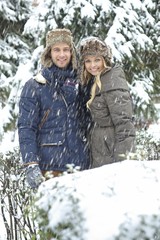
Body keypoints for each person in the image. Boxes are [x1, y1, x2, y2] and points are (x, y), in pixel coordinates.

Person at [18, 28, 90, 189]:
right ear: (49, 53)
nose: (62, 54)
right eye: (56, 50)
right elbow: (26, 128)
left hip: (80, 166)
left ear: (72, 52)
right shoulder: (35, 86)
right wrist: (31, 163)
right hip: (50, 168)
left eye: (66, 49)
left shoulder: (82, 82)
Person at [78, 36, 135, 168]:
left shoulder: (112, 81)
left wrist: (122, 162)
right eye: (88, 61)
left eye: (97, 60)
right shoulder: (91, 82)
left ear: (105, 60)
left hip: (111, 155)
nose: (92, 65)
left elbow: (124, 125)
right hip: (100, 153)